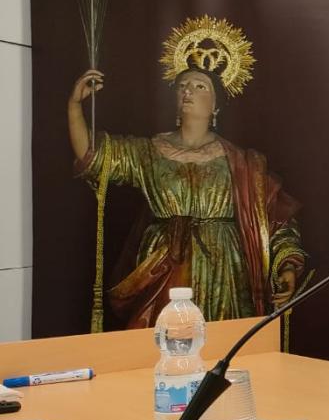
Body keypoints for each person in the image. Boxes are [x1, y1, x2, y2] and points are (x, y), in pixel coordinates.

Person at [67, 52, 307, 330]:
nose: (188, 90)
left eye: (200, 86)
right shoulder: (148, 152)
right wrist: (74, 105)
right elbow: (93, 157)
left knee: (223, 346)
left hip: (226, 270)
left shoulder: (243, 162)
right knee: (165, 344)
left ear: (216, 105)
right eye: (182, 86)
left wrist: (287, 265)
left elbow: (277, 219)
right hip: (165, 266)